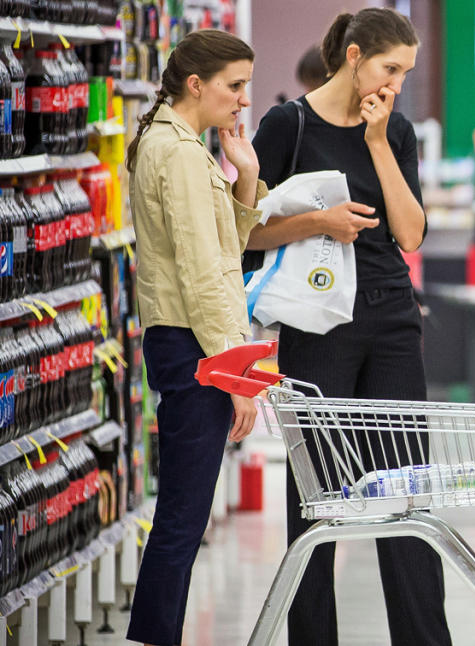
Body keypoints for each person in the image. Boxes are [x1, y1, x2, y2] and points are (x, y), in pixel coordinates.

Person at [248, 9, 448, 646]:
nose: (395, 83)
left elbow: (411, 235)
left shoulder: (397, 131)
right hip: (317, 322)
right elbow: (245, 231)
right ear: (355, 55)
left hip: (391, 314)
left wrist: (380, 142)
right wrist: (318, 223)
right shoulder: (289, 125)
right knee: (316, 498)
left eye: (405, 74)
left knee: (405, 492)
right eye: (390, 69)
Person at [123, 29, 266, 646]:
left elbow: (222, 250)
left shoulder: (176, 143)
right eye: (234, 87)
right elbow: (205, 274)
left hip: (186, 343)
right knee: (183, 517)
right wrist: (237, 375)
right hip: (195, 348)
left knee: (184, 512)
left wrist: (245, 179)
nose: (240, 101)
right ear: (195, 84)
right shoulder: (178, 152)